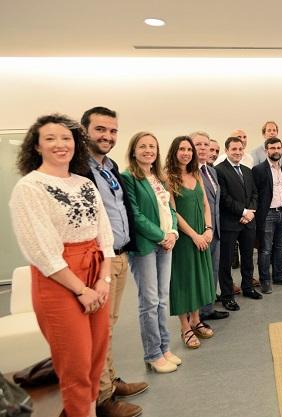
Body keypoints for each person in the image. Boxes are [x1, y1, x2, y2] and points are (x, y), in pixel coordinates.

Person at [10, 114, 114, 417]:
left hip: (96, 270)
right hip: (59, 279)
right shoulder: (30, 188)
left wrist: (102, 281)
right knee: (75, 362)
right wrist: (81, 289)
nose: (60, 144)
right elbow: (41, 251)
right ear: (37, 146)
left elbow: (104, 233)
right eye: (51, 138)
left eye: (66, 138)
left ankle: (90, 411)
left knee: (96, 356)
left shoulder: (84, 183)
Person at [81, 107, 147, 417]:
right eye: (100, 129)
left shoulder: (110, 165)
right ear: (85, 131)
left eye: (112, 130)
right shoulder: (79, 169)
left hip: (119, 255)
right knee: (99, 329)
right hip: (97, 261)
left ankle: (110, 380)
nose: (107, 136)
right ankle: (103, 399)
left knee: (109, 327)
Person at [121, 132, 181, 374]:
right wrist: (161, 235)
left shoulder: (159, 177)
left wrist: (174, 233)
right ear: (133, 150)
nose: (148, 150)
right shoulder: (128, 178)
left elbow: (170, 209)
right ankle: (153, 354)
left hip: (166, 244)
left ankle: (164, 347)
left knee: (162, 299)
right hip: (146, 246)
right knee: (149, 302)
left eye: (152, 146)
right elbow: (135, 215)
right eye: (143, 146)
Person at [165, 136, 216, 349]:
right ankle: (185, 327)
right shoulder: (168, 178)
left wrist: (208, 229)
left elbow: (205, 204)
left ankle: (196, 320)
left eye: (188, 149)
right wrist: (195, 235)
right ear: (174, 152)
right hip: (184, 238)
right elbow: (173, 212)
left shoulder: (196, 174)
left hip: (202, 234)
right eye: (181, 149)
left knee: (198, 277)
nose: (186, 153)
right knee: (184, 280)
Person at [216, 136, 262, 311]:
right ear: (227, 151)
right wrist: (243, 212)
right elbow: (224, 197)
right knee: (226, 261)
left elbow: (254, 194)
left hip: (248, 222)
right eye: (233, 149)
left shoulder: (247, 170)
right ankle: (227, 296)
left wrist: (249, 212)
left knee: (248, 257)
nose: (237, 152)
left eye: (240, 149)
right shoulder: (219, 170)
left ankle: (248, 287)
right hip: (230, 222)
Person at [189, 132, 229, 322]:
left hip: (215, 230)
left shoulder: (211, 171)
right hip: (198, 233)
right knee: (197, 275)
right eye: (199, 144)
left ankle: (207, 309)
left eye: (206, 144)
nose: (204, 148)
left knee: (212, 271)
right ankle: (194, 314)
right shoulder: (187, 173)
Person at [252, 137, 282, 292]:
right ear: (266, 151)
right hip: (267, 214)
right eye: (272, 148)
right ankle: (265, 280)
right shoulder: (258, 170)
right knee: (265, 249)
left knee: (279, 247)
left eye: (278, 148)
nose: (276, 151)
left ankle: (278, 276)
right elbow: (254, 194)